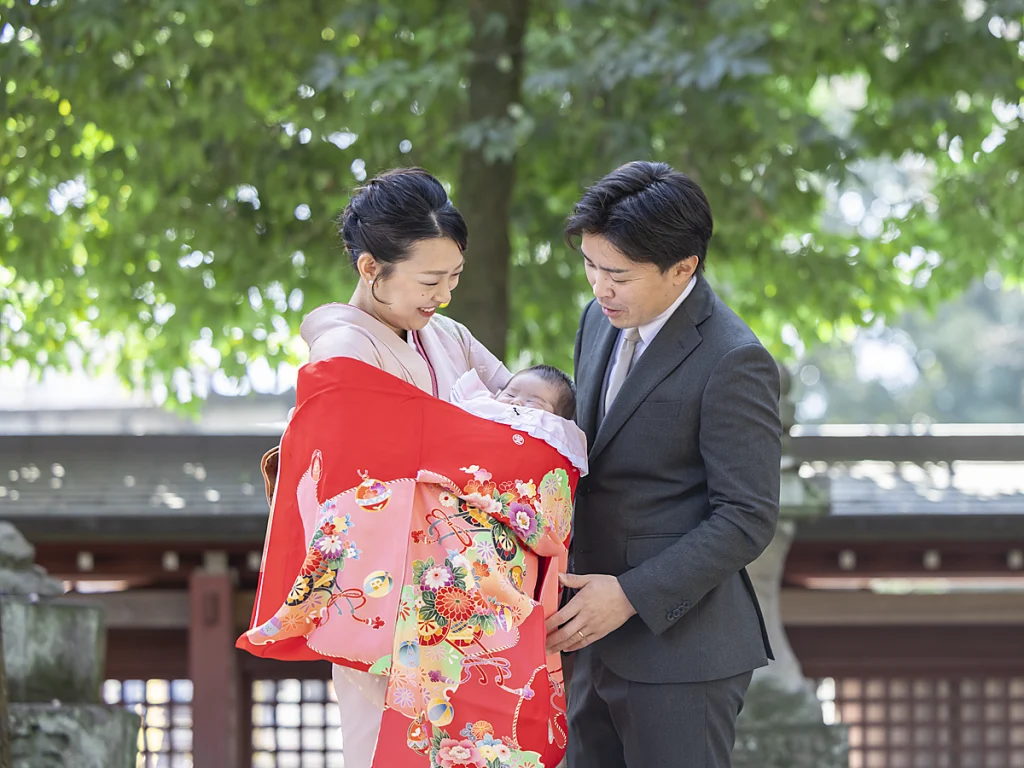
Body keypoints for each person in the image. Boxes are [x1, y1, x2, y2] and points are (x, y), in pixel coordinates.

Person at [251, 167, 511, 768]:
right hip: (388, 596)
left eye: (453, 277)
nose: (443, 295)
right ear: (371, 268)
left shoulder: (450, 336)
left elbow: (523, 416)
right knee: (392, 746)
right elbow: (361, 482)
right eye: (428, 279)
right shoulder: (342, 349)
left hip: (467, 588)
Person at [545, 161, 782, 767]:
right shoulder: (597, 320)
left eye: (618, 274)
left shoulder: (735, 360)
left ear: (684, 267)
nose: (600, 288)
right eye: (591, 265)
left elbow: (747, 518)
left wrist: (628, 595)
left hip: (682, 652)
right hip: (587, 638)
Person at [451, 363, 588, 475]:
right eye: (510, 394)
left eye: (533, 402)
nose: (516, 402)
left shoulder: (553, 431)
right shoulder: (484, 406)